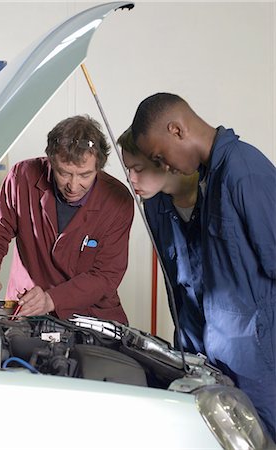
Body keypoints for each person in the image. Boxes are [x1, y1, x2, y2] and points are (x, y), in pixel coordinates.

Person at [131, 92, 276, 440]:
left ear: (176, 130)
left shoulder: (244, 172)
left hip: (261, 365)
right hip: (226, 359)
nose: (164, 165)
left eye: (159, 155)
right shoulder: (213, 179)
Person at [0, 115, 134, 324]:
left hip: (91, 314)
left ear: (99, 168)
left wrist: (52, 300)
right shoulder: (22, 176)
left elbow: (106, 275)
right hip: (26, 307)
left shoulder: (118, 201)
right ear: (50, 161)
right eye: (64, 173)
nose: (73, 186)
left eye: (85, 175)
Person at [117, 126, 205, 355]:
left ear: (164, 161)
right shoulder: (154, 204)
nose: (130, 179)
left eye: (138, 169)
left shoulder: (214, 191)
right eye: (128, 170)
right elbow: (173, 281)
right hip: (189, 335)